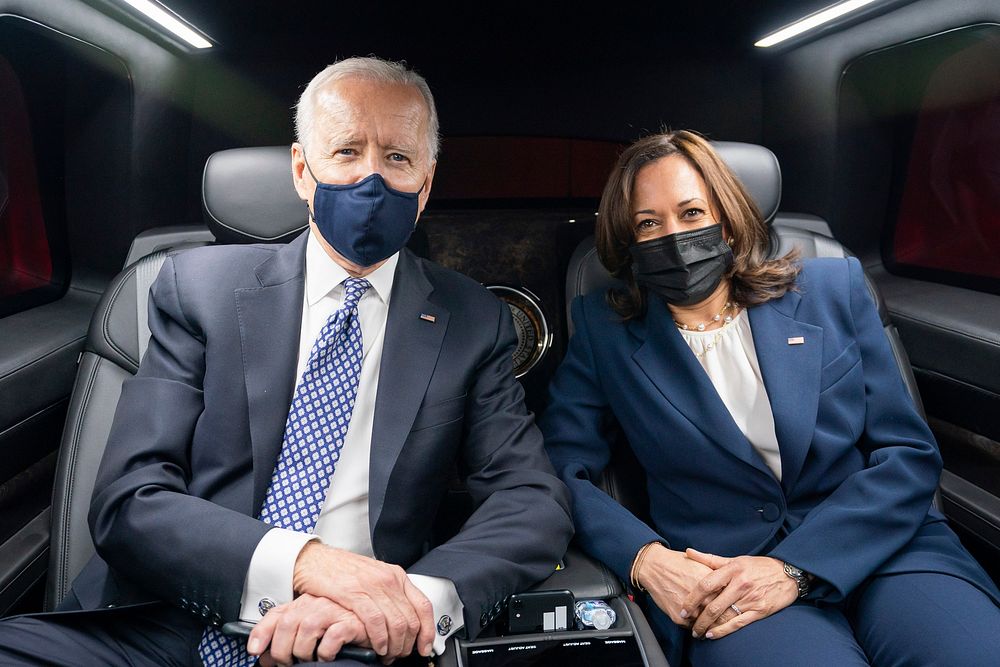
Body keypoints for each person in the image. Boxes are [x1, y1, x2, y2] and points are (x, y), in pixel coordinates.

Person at [0, 56, 572, 666]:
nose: (371, 180)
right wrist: (305, 565)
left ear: (426, 184)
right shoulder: (196, 288)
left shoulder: (471, 319)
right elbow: (129, 499)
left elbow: (531, 499)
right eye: (347, 152)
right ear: (302, 170)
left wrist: (409, 600)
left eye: (398, 158)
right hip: (166, 620)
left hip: (348, 638)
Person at [541, 130, 1000, 666]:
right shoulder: (606, 332)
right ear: (628, 239)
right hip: (724, 576)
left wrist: (794, 569)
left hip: (884, 550)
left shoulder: (833, 288)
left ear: (728, 217)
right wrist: (645, 558)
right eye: (649, 223)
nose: (673, 235)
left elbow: (909, 453)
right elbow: (558, 468)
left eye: (691, 213)